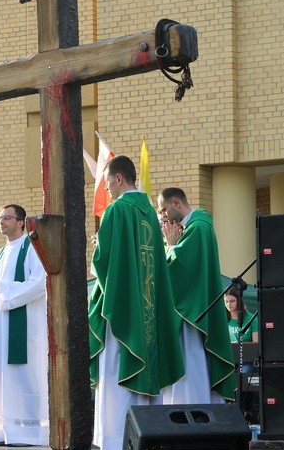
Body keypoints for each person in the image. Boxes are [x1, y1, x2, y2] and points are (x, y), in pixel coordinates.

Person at [88, 155, 184, 450]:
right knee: (145, 373)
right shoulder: (150, 215)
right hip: (148, 310)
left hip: (125, 312)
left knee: (116, 373)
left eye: (107, 182)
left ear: (119, 178)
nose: (106, 190)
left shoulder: (117, 210)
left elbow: (104, 264)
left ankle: (115, 441)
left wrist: (98, 251)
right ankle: (144, 439)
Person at [0, 204, 48, 446]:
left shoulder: (32, 248)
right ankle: (4, 430)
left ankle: (27, 432)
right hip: (1, 327)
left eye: (7, 217)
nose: (1, 221)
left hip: (24, 326)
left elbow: (40, 283)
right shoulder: (0, 253)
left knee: (23, 377)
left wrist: (3, 288)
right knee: (1, 378)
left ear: (20, 222)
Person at [157, 187, 236, 404]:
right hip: (193, 310)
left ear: (176, 203)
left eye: (163, 210)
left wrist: (172, 246)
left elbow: (178, 272)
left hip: (192, 316)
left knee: (191, 370)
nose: (162, 216)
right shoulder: (196, 227)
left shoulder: (198, 228)